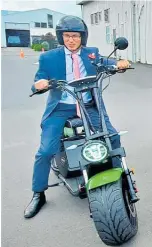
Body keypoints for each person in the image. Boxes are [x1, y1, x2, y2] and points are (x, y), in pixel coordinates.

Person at [24, 15, 130, 219]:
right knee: (46, 151)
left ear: (83, 37)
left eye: (75, 36)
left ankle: (119, 180)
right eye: (67, 36)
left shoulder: (92, 53)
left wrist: (120, 63)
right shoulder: (49, 58)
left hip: (89, 104)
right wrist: (39, 84)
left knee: (112, 136)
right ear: (61, 37)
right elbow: (39, 78)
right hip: (61, 106)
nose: (71, 39)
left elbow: (106, 62)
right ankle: (38, 193)